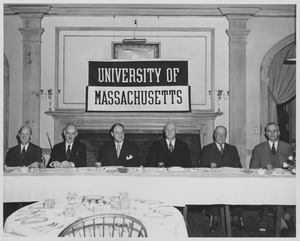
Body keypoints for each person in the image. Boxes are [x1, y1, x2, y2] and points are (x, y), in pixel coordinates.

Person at [250, 122, 294, 236]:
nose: (272, 133)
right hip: (267, 183)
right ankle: (283, 222)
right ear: (266, 133)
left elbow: (292, 167)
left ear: (279, 132)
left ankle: (287, 215)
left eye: (275, 131)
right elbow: (253, 169)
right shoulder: (259, 148)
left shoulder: (287, 147)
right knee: (272, 193)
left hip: (284, 182)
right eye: (269, 131)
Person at [199, 125, 243, 232]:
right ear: (214, 135)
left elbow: (238, 167)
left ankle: (236, 218)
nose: (221, 136)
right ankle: (215, 218)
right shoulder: (207, 149)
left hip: (230, 181)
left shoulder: (232, 149)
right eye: (218, 133)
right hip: (213, 181)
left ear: (226, 136)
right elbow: (203, 168)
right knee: (214, 189)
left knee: (241, 188)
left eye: (224, 134)